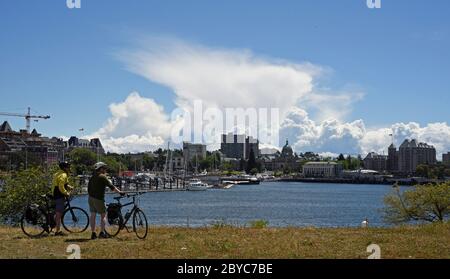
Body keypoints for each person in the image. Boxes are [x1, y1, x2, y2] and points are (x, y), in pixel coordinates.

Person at [88, 162, 124, 239]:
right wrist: (120, 192)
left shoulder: (92, 177)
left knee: (93, 215)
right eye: (104, 168)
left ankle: (93, 233)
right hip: (99, 198)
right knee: (103, 215)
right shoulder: (102, 177)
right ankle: (102, 232)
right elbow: (112, 187)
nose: (105, 169)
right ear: (100, 169)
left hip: (91, 198)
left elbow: (88, 188)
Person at [51, 161, 74, 236]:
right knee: (59, 213)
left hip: (55, 194)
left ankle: (54, 225)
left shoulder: (58, 173)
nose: (69, 168)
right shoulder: (63, 175)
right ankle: (58, 231)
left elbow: (64, 184)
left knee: (58, 212)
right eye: (68, 167)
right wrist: (66, 193)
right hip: (59, 195)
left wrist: (69, 187)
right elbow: (61, 186)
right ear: (64, 168)